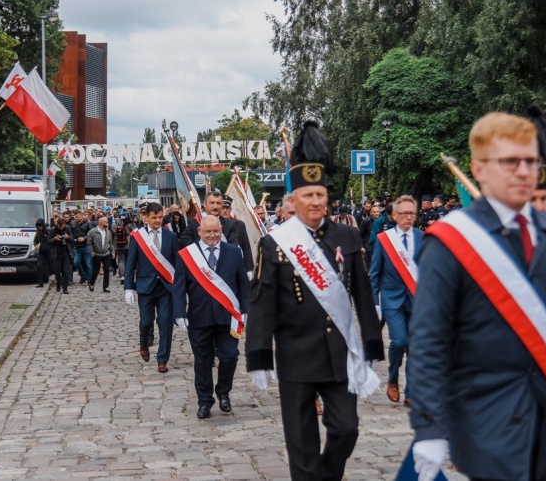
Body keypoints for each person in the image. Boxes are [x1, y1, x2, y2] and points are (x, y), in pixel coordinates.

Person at [408, 112, 546, 481]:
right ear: (479, 169)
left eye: (531, 161)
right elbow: (429, 339)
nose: (524, 171)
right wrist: (428, 426)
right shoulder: (450, 242)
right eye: (510, 162)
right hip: (481, 417)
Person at [245, 121, 384, 481]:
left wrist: (371, 345)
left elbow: (362, 296)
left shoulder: (347, 236)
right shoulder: (275, 243)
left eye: (321, 195)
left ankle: (327, 475)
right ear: (293, 200)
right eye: (308, 196)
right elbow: (262, 303)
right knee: (301, 441)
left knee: (346, 428)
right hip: (295, 354)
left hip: (339, 352)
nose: (316, 202)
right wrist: (259, 356)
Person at [173, 215, 249, 419]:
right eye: (208, 232)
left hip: (228, 317)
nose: (213, 235)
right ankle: (205, 401)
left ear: (221, 230)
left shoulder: (234, 253)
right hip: (199, 317)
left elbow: (243, 284)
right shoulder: (186, 255)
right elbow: (179, 286)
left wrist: (245, 310)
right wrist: (179, 313)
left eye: (216, 231)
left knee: (230, 356)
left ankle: (223, 391)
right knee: (203, 361)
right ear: (200, 232)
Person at [369, 194, 423, 407]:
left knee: (415, 347)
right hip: (392, 299)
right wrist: (375, 303)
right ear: (394, 215)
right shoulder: (385, 240)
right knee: (399, 341)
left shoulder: (423, 238)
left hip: (417, 300)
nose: (408, 217)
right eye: (404, 213)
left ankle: (411, 391)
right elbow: (374, 274)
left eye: (412, 213)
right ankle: (392, 378)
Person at [124, 202, 179, 373]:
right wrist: (128, 288)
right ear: (146, 218)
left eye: (160, 217)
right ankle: (143, 342)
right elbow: (130, 264)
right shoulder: (138, 237)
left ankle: (162, 359)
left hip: (165, 287)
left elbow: (177, 264)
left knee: (165, 322)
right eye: (154, 217)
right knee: (146, 322)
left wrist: (179, 287)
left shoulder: (171, 237)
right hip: (145, 287)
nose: (157, 221)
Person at [86, 217, 115, 293]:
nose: (107, 224)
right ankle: (91, 283)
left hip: (106, 253)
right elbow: (89, 243)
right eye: (106, 222)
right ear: (102, 223)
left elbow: (110, 243)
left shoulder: (108, 232)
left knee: (106, 270)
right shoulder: (92, 232)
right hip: (96, 254)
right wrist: (92, 252)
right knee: (95, 271)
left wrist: (112, 252)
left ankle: (106, 287)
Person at [48, 218, 73, 295]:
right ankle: (58, 284)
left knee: (66, 272)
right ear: (57, 225)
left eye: (63, 226)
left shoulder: (67, 229)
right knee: (57, 271)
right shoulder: (52, 230)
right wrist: (55, 239)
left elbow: (72, 239)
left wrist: (67, 237)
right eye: (60, 226)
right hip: (57, 253)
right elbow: (48, 241)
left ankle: (65, 288)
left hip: (66, 252)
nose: (62, 228)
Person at [112, 211, 135, 284]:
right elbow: (134, 232)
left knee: (121, 260)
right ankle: (127, 275)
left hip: (118, 245)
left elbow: (113, 233)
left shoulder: (114, 224)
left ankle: (121, 275)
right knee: (128, 261)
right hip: (128, 245)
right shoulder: (129, 224)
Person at [70, 210, 92, 284]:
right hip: (76, 246)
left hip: (86, 246)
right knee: (76, 262)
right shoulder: (72, 224)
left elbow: (91, 233)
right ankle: (83, 276)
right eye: (75, 217)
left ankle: (89, 279)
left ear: (82, 216)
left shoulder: (87, 223)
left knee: (88, 264)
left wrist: (84, 238)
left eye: (77, 217)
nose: (76, 218)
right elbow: (70, 233)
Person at [33, 219, 51, 288]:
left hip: (48, 252)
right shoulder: (37, 233)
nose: (39, 227)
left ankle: (59, 280)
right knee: (39, 266)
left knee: (52, 267)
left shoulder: (47, 232)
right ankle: (40, 282)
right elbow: (35, 241)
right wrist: (36, 246)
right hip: (41, 252)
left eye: (40, 226)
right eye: (38, 226)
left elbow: (50, 240)